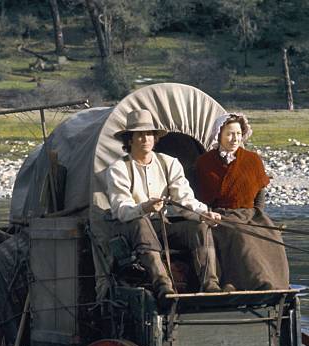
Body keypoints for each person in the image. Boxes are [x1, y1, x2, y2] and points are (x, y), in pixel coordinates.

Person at [106, 109, 222, 299]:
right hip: (130, 229)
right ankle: (163, 286)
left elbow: (184, 200)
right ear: (130, 139)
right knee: (142, 223)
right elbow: (121, 210)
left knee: (201, 228)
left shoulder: (169, 163)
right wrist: (144, 207)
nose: (146, 139)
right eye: (140, 134)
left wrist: (204, 214)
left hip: (162, 226)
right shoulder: (118, 169)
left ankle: (210, 286)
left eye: (149, 134)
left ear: (155, 138)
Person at [195, 113, 289, 291]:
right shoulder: (205, 162)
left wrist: (258, 214)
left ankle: (278, 284)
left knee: (272, 235)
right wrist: (208, 215)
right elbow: (200, 196)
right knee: (242, 238)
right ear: (219, 134)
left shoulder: (252, 159)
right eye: (230, 134)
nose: (234, 138)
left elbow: (260, 191)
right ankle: (255, 284)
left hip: (251, 213)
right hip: (222, 216)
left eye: (238, 134)